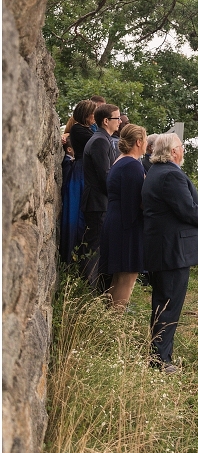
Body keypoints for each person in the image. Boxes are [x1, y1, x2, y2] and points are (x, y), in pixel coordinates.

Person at [141, 132, 198, 373]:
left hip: (163, 247)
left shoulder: (156, 172)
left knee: (163, 301)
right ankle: (160, 359)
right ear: (172, 152)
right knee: (168, 303)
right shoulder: (170, 175)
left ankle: (160, 353)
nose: (183, 151)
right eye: (181, 147)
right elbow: (187, 209)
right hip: (171, 249)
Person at [99, 123, 147, 309]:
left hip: (116, 221)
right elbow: (138, 201)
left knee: (118, 277)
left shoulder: (119, 161)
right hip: (128, 225)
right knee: (127, 277)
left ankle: (108, 323)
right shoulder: (133, 166)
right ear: (138, 142)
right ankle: (115, 323)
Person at [80, 103, 121, 288]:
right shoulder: (99, 141)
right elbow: (105, 175)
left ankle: (98, 289)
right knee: (94, 247)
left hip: (100, 201)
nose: (120, 122)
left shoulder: (104, 139)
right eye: (117, 118)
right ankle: (89, 290)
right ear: (106, 121)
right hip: (97, 202)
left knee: (100, 247)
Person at [60, 99, 96, 264]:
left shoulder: (88, 129)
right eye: (93, 113)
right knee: (76, 215)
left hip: (84, 172)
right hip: (80, 175)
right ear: (87, 115)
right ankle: (71, 260)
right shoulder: (78, 130)